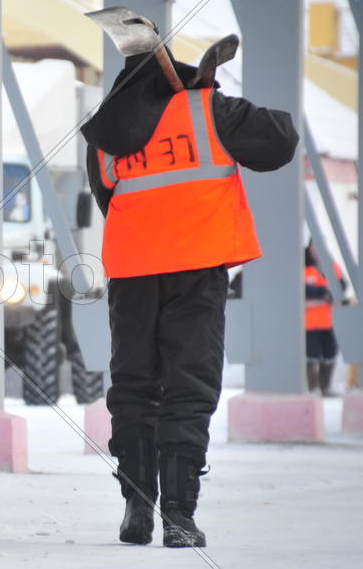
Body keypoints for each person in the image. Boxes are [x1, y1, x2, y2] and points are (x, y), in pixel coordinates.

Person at [82, 42, 298, 547]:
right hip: (197, 268)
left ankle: (138, 506)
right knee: (189, 385)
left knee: (134, 384)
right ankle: (179, 515)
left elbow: (105, 195)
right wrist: (211, 94)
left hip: (133, 271)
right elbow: (281, 139)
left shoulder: (106, 133)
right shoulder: (207, 110)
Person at [304, 242, 345, 396]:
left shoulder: (332, 268)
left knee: (330, 354)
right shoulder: (304, 269)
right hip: (310, 321)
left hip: (329, 321)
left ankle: (325, 387)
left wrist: (322, 292)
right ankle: (313, 388)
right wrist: (325, 291)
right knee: (311, 355)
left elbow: (341, 285)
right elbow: (305, 289)